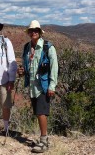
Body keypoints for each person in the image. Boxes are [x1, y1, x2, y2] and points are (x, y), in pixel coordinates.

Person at [19, 20, 58, 153]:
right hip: (32, 85)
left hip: (43, 85)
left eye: (36, 30)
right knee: (37, 112)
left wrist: (52, 85)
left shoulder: (48, 47)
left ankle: (44, 141)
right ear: (29, 33)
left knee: (41, 112)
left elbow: (54, 68)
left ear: (40, 32)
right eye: (31, 30)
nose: (33, 32)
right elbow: (26, 66)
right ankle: (43, 139)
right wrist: (22, 71)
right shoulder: (26, 47)